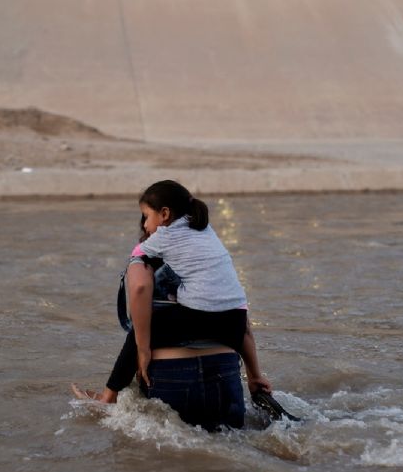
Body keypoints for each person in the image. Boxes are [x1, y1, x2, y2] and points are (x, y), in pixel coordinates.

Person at [73, 180, 272, 431]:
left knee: (140, 333)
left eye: (146, 216)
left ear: (164, 214)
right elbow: (244, 325)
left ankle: (107, 397)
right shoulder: (208, 235)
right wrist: (255, 377)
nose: (145, 224)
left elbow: (140, 287)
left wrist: (143, 349)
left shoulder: (161, 240)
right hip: (229, 344)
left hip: (178, 365)